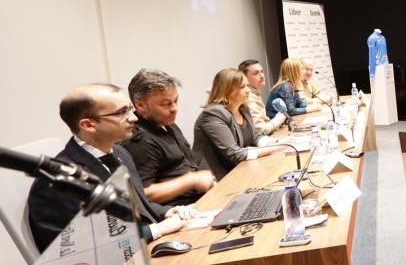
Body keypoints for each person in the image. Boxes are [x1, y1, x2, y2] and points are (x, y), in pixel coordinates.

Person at [28, 83, 195, 252]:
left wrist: (166, 212)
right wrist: (157, 229)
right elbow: (77, 250)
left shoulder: (120, 152)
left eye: (130, 109)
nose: (134, 117)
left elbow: (139, 204)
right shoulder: (57, 181)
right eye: (122, 112)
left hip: (144, 250)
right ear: (88, 125)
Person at [122, 68, 215, 205]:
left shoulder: (168, 123)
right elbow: (142, 195)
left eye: (175, 101)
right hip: (180, 212)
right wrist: (191, 181)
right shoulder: (139, 140)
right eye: (165, 104)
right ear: (141, 105)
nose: (174, 108)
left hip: (203, 198)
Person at [192, 69, 286, 180]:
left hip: (240, 169)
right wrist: (275, 148)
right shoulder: (213, 114)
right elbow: (235, 154)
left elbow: (255, 137)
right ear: (226, 90)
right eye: (242, 87)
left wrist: (276, 142)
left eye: (247, 85)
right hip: (216, 178)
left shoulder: (243, 108)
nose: (248, 90)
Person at [238, 59, 287, 135]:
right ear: (244, 78)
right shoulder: (249, 98)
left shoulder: (256, 93)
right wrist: (281, 117)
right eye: (256, 73)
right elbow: (260, 130)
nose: (261, 76)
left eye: (262, 71)